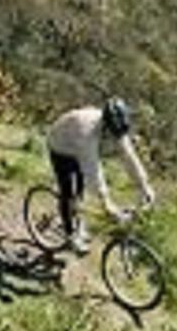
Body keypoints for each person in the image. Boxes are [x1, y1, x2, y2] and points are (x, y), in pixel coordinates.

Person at [46, 97, 156, 254]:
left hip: (75, 142)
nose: (115, 137)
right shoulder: (87, 131)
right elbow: (93, 170)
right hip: (61, 146)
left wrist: (145, 186)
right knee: (69, 192)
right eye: (112, 133)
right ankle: (70, 234)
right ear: (105, 124)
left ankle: (76, 219)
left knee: (80, 190)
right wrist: (106, 203)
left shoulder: (114, 124)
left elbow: (129, 156)